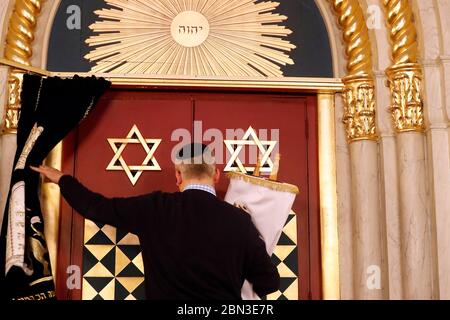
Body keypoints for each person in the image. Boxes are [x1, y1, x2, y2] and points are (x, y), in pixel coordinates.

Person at [31, 143, 280, 300]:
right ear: (216, 175)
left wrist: (63, 179)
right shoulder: (239, 221)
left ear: (177, 175)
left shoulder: (155, 207)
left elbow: (96, 207)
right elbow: (270, 282)